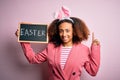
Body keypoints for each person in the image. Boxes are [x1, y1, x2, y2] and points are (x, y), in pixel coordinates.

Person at [15, 6, 100, 80]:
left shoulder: (83, 50)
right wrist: (23, 39)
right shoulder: (51, 47)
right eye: (61, 31)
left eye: (67, 31)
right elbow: (32, 59)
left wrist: (95, 48)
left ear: (74, 31)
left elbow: (93, 71)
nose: (64, 34)